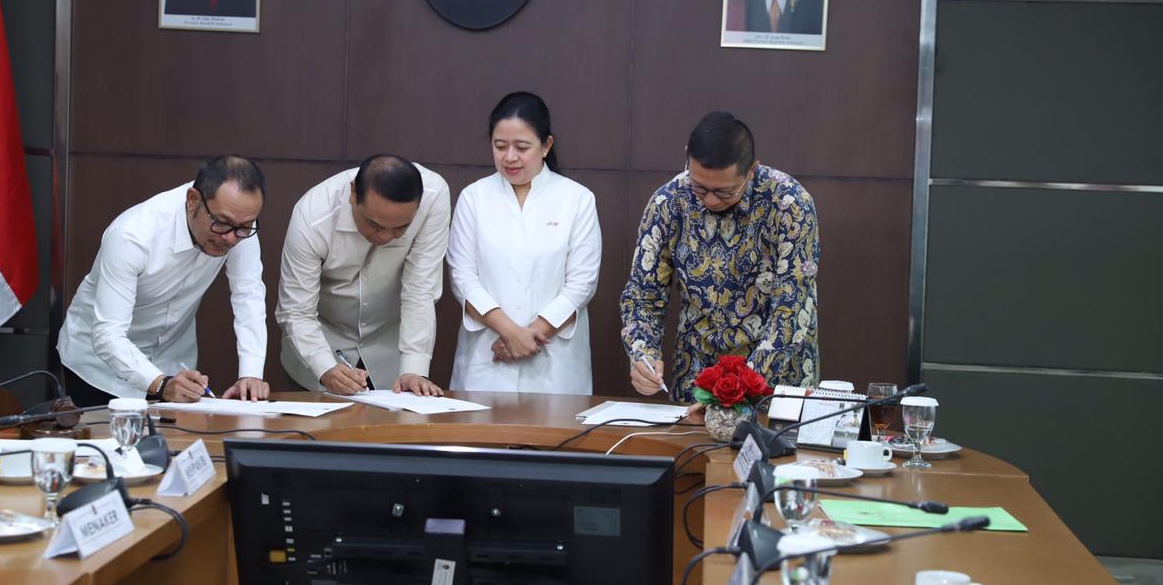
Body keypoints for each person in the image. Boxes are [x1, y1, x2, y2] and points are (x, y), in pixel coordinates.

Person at [621, 112, 820, 401]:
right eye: (700, 188)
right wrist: (643, 354)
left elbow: (792, 310)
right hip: (697, 375)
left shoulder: (789, 204)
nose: (711, 200)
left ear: (752, 170)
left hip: (775, 379)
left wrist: (737, 391)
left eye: (724, 192)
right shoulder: (668, 202)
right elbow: (643, 297)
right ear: (687, 157)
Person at [58, 155, 270, 405]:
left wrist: (251, 374)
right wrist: (159, 383)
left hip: (173, 367)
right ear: (193, 201)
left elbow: (249, 296)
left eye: (244, 227)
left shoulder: (237, 224)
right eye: (221, 224)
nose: (231, 239)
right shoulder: (132, 235)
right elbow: (108, 333)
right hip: (98, 368)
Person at [447, 92, 602, 393]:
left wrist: (529, 336)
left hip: (554, 360)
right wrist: (509, 332)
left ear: (546, 146)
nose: (509, 157)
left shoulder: (577, 199)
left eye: (522, 147)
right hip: (487, 354)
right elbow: (462, 277)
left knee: (552, 438)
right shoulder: (473, 197)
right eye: (500, 146)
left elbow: (582, 283)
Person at [277, 154, 450, 396]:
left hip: (390, 348)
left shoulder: (434, 196)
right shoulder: (312, 215)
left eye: (400, 228)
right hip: (321, 345)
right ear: (353, 194)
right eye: (374, 224)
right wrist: (325, 367)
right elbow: (297, 310)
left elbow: (420, 288)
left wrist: (414, 368)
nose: (384, 237)